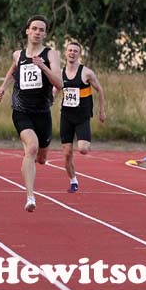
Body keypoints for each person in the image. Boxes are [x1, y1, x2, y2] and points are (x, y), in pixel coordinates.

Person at [0, 15, 62, 212]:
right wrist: (3, 88)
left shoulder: (51, 55)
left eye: (41, 30)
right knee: (31, 149)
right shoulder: (18, 54)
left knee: (40, 158)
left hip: (42, 112)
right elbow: (12, 70)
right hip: (21, 111)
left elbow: (59, 83)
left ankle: (29, 162)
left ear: (45, 34)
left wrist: (42, 67)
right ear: (27, 31)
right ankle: (30, 197)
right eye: (34, 28)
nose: (37, 32)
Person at [58, 42, 106, 193]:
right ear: (65, 53)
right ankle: (73, 181)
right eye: (70, 50)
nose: (72, 53)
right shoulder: (60, 73)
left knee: (83, 149)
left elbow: (100, 90)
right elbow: (55, 89)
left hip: (82, 116)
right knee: (66, 154)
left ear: (79, 54)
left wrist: (101, 111)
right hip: (66, 116)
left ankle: (85, 140)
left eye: (75, 51)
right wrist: (48, 100)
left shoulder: (87, 73)